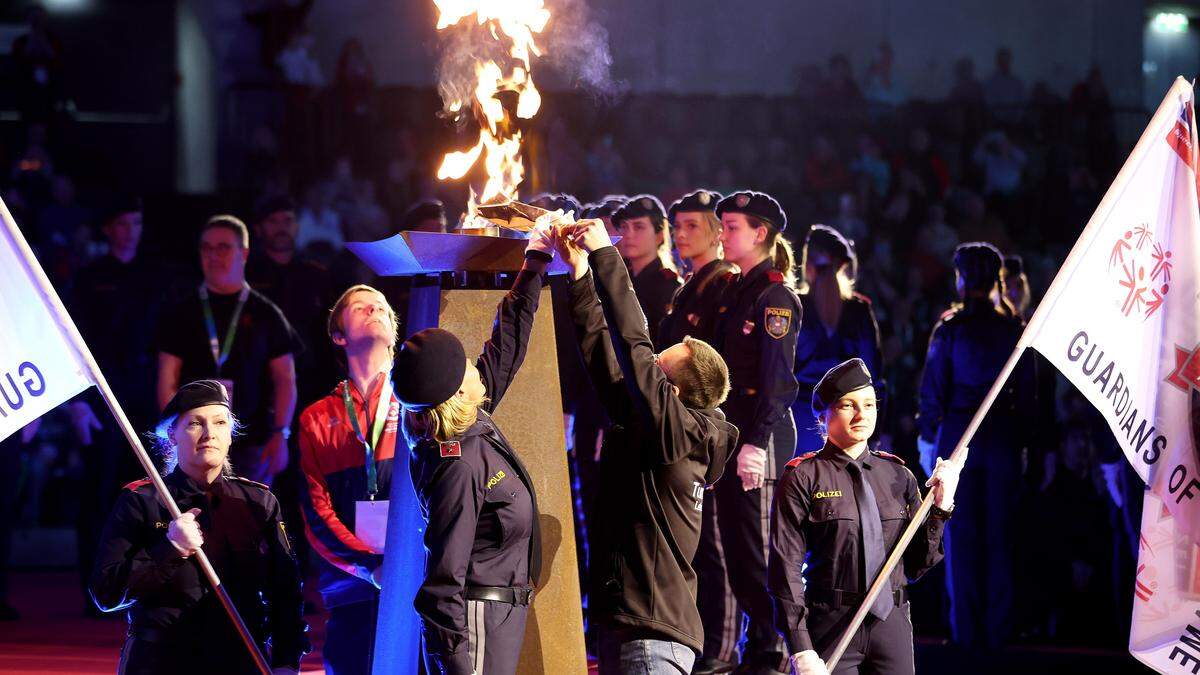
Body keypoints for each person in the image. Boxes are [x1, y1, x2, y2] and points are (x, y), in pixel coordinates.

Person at [560, 218, 739, 674]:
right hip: (635, 629)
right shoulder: (662, 432)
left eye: (658, 368)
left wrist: (606, 255)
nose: (649, 364)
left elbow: (633, 343)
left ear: (672, 394)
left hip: (651, 640)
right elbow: (607, 361)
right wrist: (580, 275)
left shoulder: (676, 437)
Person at [400, 225, 554, 675]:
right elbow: (442, 584)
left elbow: (505, 346)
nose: (475, 363)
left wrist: (535, 264)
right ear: (454, 392)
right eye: (466, 363)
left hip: (500, 617)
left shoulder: (472, 422)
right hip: (476, 627)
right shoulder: (458, 465)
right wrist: (456, 667)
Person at [89, 380, 309, 674]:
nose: (209, 434)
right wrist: (171, 549)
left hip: (240, 659)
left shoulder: (260, 502)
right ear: (172, 434)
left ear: (230, 434)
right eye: (195, 423)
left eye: (219, 423)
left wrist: (286, 661)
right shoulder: (141, 501)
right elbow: (106, 593)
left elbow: (285, 591)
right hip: (160, 661)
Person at [769, 359, 959, 675]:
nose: (862, 415)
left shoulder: (899, 476)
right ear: (823, 415)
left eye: (869, 404)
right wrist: (801, 648)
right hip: (830, 624)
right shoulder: (803, 477)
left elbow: (916, 565)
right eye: (848, 405)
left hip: (891, 623)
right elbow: (784, 569)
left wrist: (941, 508)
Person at [917, 242, 1034, 650]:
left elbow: (933, 390)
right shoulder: (1015, 329)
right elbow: (1030, 397)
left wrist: (927, 438)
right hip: (1002, 443)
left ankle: (965, 633)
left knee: (961, 539)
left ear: (962, 278)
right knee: (1001, 539)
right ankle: (998, 634)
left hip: (959, 443)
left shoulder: (950, 329)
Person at [711, 190, 803, 673]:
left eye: (731, 226)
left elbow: (777, 381)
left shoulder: (774, 298)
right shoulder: (737, 291)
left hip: (757, 439)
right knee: (736, 555)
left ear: (760, 233)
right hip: (733, 435)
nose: (722, 234)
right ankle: (761, 646)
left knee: (759, 555)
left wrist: (756, 442)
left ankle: (779, 649)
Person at [67, 196, 167, 616]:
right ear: (108, 229)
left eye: (137, 223)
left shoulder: (155, 276)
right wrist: (79, 406)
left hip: (146, 398)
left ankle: (140, 584)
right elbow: (76, 343)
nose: (131, 231)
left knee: (145, 495)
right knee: (98, 495)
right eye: (123, 223)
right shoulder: (89, 279)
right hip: (102, 400)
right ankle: (96, 588)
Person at [654, 189, 740, 673]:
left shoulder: (722, 283)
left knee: (715, 544)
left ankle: (723, 650)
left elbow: (714, 367)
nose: (683, 235)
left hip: (703, 425)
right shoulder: (690, 285)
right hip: (679, 423)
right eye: (678, 225)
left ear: (714, 231)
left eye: (694, 226)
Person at [298, 284, 401, 675]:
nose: (373, 308)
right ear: (339, 335)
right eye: (360, 307)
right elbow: (315, 511)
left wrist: (406, 563)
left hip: (416, 578)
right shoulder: (317, 418)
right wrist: (367, 566)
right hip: (350, 585)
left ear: (394, 331)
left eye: (381, 307)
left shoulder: (419, 404)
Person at [156, 215, 302, 485]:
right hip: (196, 440)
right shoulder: (181, 312)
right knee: (195, 519)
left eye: (223, 247)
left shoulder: (266, 313)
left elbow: (285, 380)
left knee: (249, 520)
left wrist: (281, 434)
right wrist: (172, 435)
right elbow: (167, 380)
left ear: (243, 253)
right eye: (206, 248)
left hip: (253, 441)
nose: (213, 255)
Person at [792, 225, 881, 455]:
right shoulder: (859, 310)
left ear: (808, 267)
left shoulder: (794, 306)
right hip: (848, 415)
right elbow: (873, 372)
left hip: (800, 419)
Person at [611, 195, 681, 347]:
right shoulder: (620, 278)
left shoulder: (667, 285)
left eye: (638, 227)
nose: (628, 234)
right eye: (624, 226)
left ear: (659, 236)